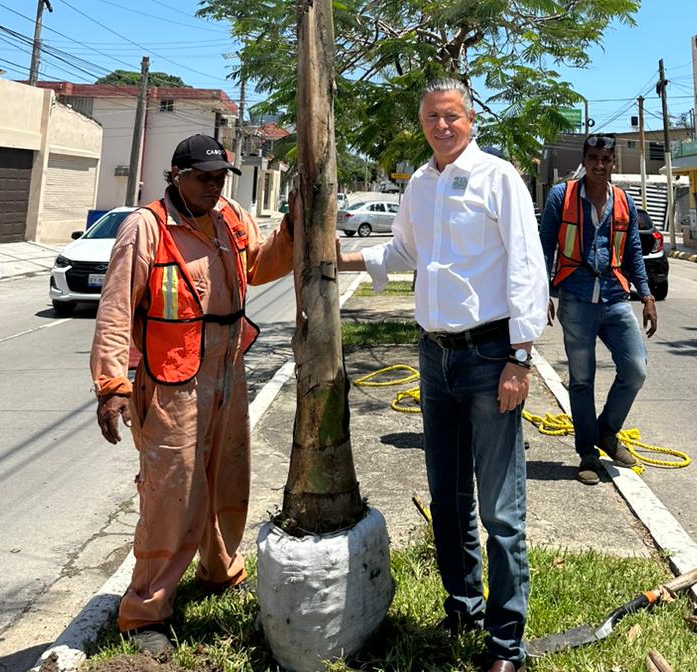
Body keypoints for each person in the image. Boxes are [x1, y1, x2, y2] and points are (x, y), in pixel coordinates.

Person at [339, 79, 549, 672]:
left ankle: (506, 644)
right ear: (422, 122)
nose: (442, 125)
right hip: (435, 357)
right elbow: (405, 251)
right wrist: (343, 256)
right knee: (448, 495)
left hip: (490, 357)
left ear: (471, 118)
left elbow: (528, 266)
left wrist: (521, 355)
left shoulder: (498, 177)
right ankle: (463, 607)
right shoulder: (419, 183)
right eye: (432, 116)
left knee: (501, 510)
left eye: (452, 115)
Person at [90, 134, 295, 653]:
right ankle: (145, 612)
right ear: (175, 176)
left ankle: (219, 571)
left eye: (219, 177)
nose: (213, 185)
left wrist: (292, 228)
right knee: (171, 496)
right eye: (203, 176)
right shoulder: (147, 227)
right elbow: (116, 307)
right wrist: (112, 384)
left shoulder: (230, 217)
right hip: (171, 381)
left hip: (228, 370)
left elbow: (260, 266)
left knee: (227, 479)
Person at [538, 134, 657, 485]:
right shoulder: (562, 196)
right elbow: (545, 247)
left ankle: (607, 431)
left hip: (615, 297)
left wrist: (647, 296)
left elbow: (634, 250)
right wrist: (541, 291)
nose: (600, 165)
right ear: (584, 160)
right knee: (582, 380)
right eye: (594, 157)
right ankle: (588, 453)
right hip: (575, 299)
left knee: (635, 369)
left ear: (613, 163)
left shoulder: (624, 201)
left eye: (606, 158)